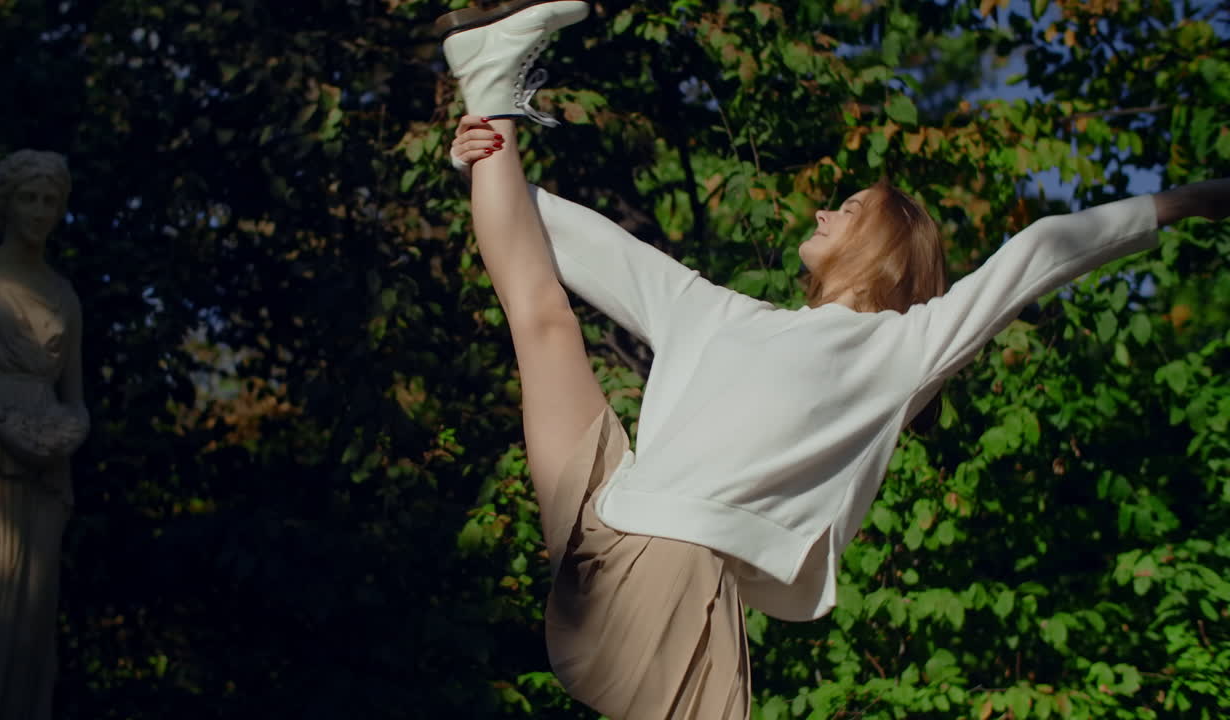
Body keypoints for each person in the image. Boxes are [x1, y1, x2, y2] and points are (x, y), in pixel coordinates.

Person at [437, 2, 1230, 716]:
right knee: (540, 315)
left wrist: (1193, 198)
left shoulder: (903, 345)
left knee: (540, 317)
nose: (822, 208)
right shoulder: (716, 312)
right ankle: (490, 80)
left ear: (888, 250)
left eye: (847, 209)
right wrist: (485, 152)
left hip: (655, 560)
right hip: (619, 516)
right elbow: (561, 235)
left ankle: (490, 86)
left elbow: (1045, 249)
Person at [0, 149, 89, 719]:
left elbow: (74, 397)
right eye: (28, 198)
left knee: (27, 635)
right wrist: (0, 426)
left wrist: (70, 432)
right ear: (6, 204)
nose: (39, 211)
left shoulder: (65, 295)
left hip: (44, 463)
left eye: (50, 201)